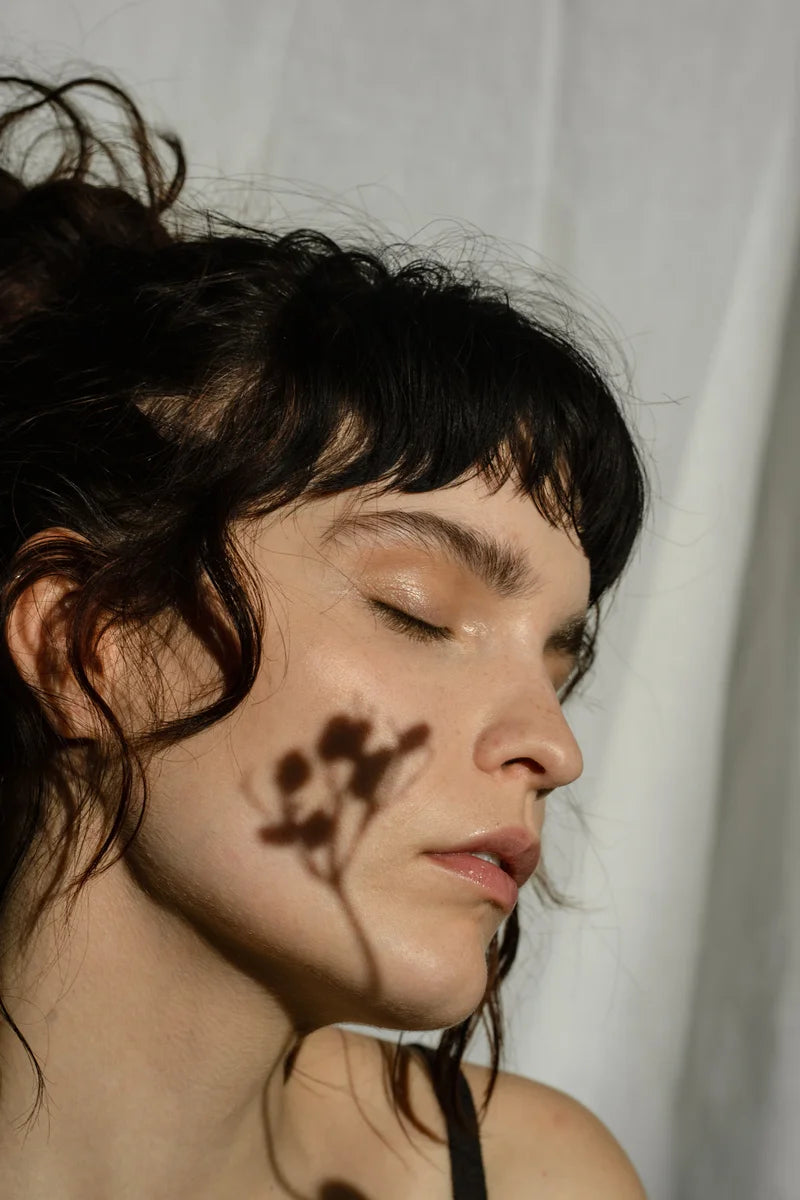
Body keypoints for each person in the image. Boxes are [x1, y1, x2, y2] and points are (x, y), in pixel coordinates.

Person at [0, 74, 650, 1199]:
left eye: (561, 661)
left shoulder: (535, 1178)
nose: (552, 748)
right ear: (81, 641)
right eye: (419, 610)